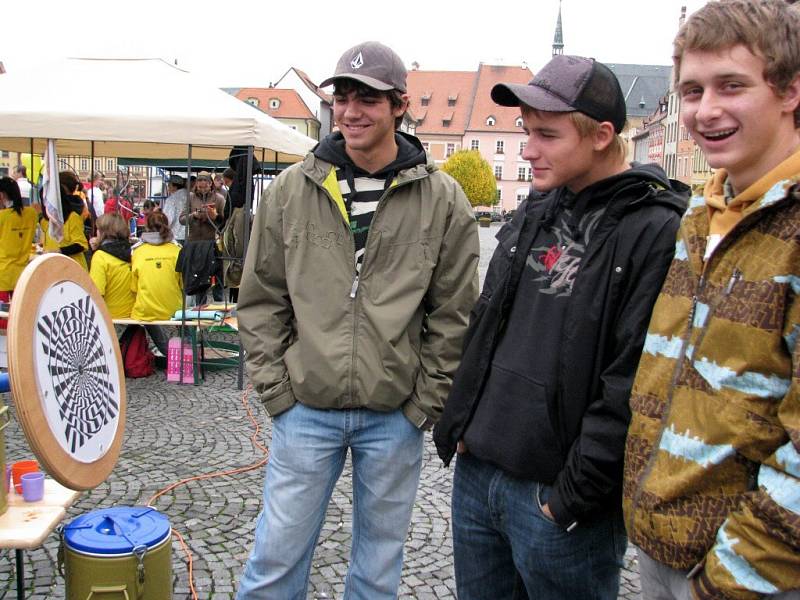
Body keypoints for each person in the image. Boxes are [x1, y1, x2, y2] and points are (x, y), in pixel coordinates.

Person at [432, 54, 689, 600]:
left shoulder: (655, 229)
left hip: (557, 504)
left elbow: (637, 384)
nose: (527, 150)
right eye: (527, 132)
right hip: (479, 474)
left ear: (600, 135)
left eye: (546, 135)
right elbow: (489, 322)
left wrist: (568, 499)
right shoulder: (540, 203)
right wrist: (459, 426)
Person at [235, 41, 479, 599]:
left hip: (394, 415)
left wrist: (424, 404)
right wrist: (276, 391)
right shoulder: (292, 192)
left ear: (398, 105)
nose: (351, 111)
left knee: (376, 573)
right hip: (305, 412)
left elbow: (454, 315)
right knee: (274, 562)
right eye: (343, 97)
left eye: (367, 98)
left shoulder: (444, 201)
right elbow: (261, 300)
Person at [623, 1, 800, 598]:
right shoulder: (702, 215)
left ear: (791, 90)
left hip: (750, 576)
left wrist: (727, 579)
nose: (706, 110)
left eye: (732, 85)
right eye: (692, 90)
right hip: (662, 548)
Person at [130, 211, 183, 356]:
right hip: (174, 309)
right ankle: (182, 352)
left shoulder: (137, 251)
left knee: (145, 312)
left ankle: (166, 352)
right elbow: (182, 284)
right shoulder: (177, 250)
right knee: (182, 312)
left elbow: (134, 287)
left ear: (146, 227)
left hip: (146, 308)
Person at [178, 171, 224, 304]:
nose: (203, 189)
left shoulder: (219, 199)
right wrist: (194, 215)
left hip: (211, 244)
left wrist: (214, 216)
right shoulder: (191, 198)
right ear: (196, 185)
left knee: (213, 279)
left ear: (211, 185)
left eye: (205, 187)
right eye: (200, 187)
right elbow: (182, 219)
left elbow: (225, 222)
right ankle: (198, 309)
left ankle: (219, 307)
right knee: (197, 281)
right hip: (194, 243)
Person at [0, 177, 37, 311]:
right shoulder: (31, 213)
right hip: (22, 271)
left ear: (2, 195)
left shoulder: (2, 216)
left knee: (3, 315)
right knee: (19, 311)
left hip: (3, 272)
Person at [89, 213, 135, 319]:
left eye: (97, 229)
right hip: (133, 316)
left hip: (110, 318)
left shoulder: (100, 257)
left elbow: (96, 294)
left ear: (103, 232)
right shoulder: (134, 253)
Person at [55, 171, 90, 270]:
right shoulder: (80, 204)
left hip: (72, 266)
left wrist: (59, 250)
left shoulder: (72, 215)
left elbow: (81, 244)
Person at [161, 174, 188, 244]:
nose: (168, 187)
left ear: (175, 186)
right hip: (190, 235)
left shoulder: (171, 199)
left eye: (169, 185)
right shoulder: (191, 196)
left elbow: (168, 219)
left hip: (176, 236)